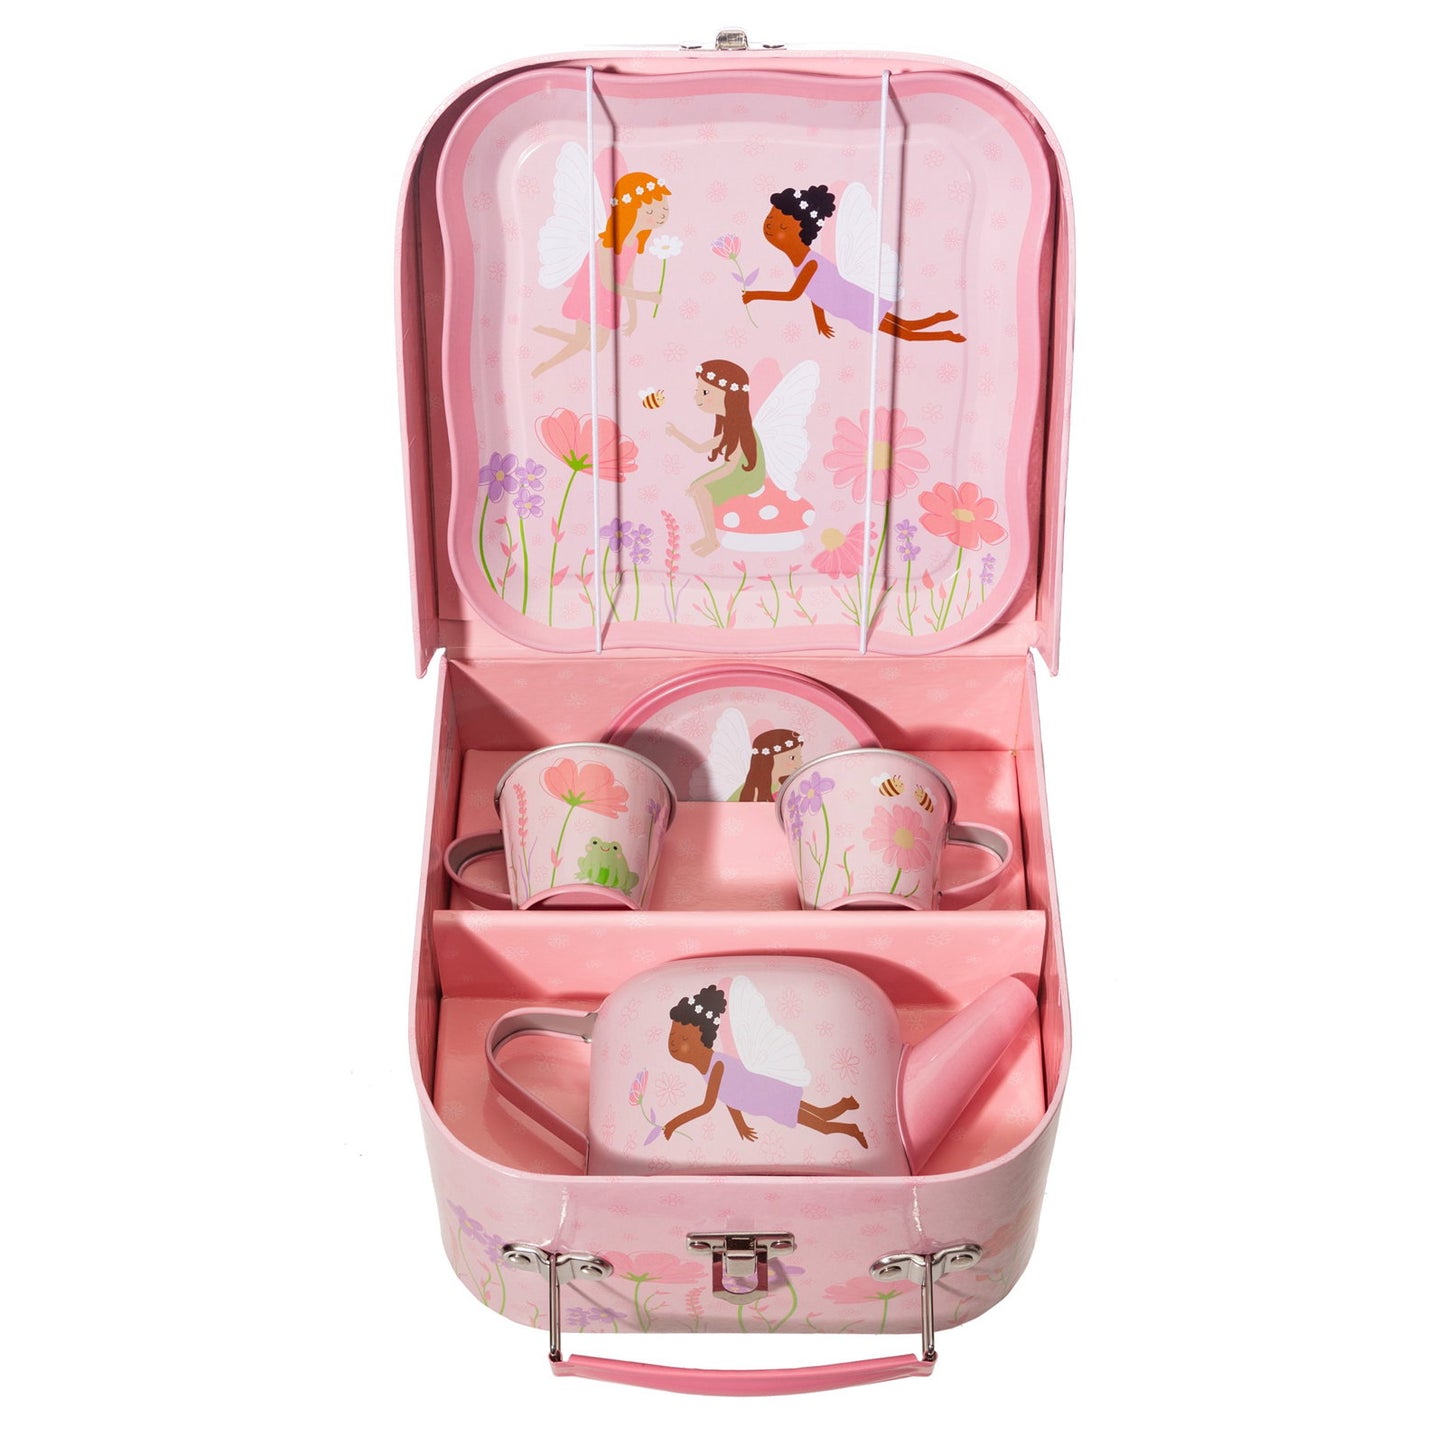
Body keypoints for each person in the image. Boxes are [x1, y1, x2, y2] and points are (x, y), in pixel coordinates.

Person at [742, 184, 965, 342]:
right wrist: (820, 320)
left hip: (858, 308)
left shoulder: (810, 264)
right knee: (906, 327)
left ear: (801, 232)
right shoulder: (802, 264)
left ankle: (946, 334)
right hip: (854, 308)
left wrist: (755, 295)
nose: (770, 228)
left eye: (781, 226)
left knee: (906, 332)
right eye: (770, 221)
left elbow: (793, 295)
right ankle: (941, 320)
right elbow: (816, 292)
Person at [661, 984, 867, 1147]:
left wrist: (673, 1124)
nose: (674, 1043)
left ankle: (852, 1129)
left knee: (822, 1125)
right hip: (771, 1097)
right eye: (673, 1035)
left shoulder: (717, 1066)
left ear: (702, 1039)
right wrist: (740, 1125)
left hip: (773, 1100)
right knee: (821, 1116)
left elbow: (708, 1106)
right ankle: (846, 1108)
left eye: (684, 1038)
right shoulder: (712, 1067)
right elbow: (730, 1095)